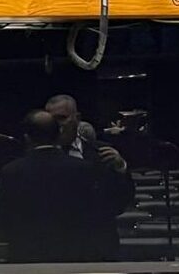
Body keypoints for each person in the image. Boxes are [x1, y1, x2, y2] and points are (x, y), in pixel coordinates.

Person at [0, 109, 100, 262]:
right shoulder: (83, 169)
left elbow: (5, 219)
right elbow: (92, 215)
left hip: (26, 255)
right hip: (73, 255)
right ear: (58, 136)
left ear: (27, 138)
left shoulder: (11, 171)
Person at [45, 94, 135, 260]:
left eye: (62, 118)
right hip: (53, 248)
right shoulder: (36, 158)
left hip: (97, 246)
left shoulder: (102, 153)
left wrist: (120, 169)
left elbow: (122, 201)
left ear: (77, 118)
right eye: (51, 120)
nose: (57, 125)